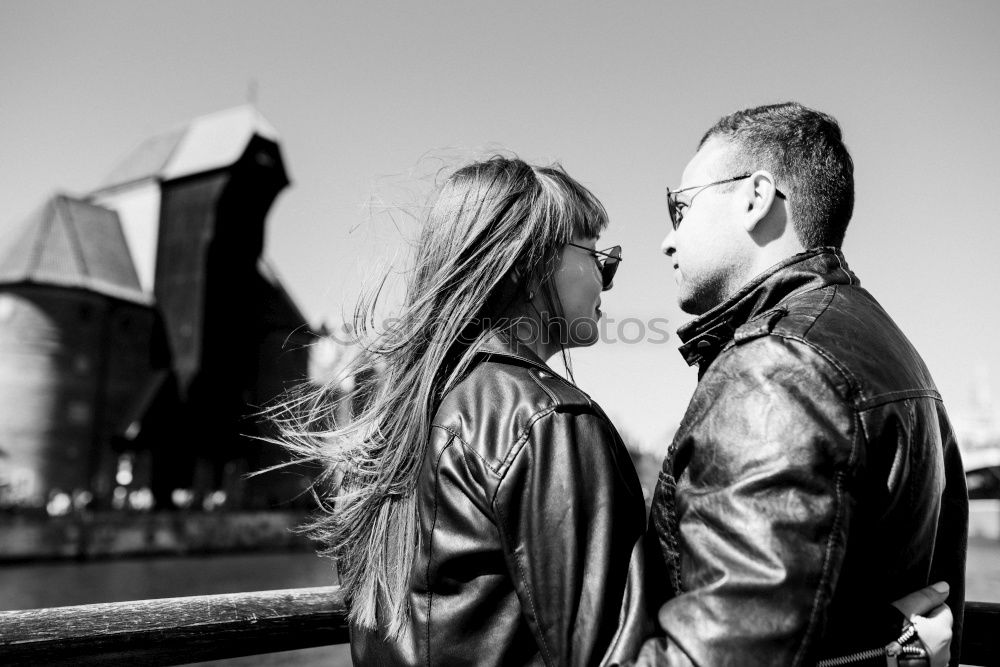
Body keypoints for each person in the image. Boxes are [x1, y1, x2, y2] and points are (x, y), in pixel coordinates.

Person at [272, 155, 954, 666]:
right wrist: (888, 653)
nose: (608, 279)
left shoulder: (401, 422)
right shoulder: (546, 419)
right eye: (599, 257)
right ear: (531, 261)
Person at [630, 102, 968, 666]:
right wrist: (884, 652)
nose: (667, 239)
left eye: (680, 207)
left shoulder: (777, 368)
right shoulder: (882, 344)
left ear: (756, 197)